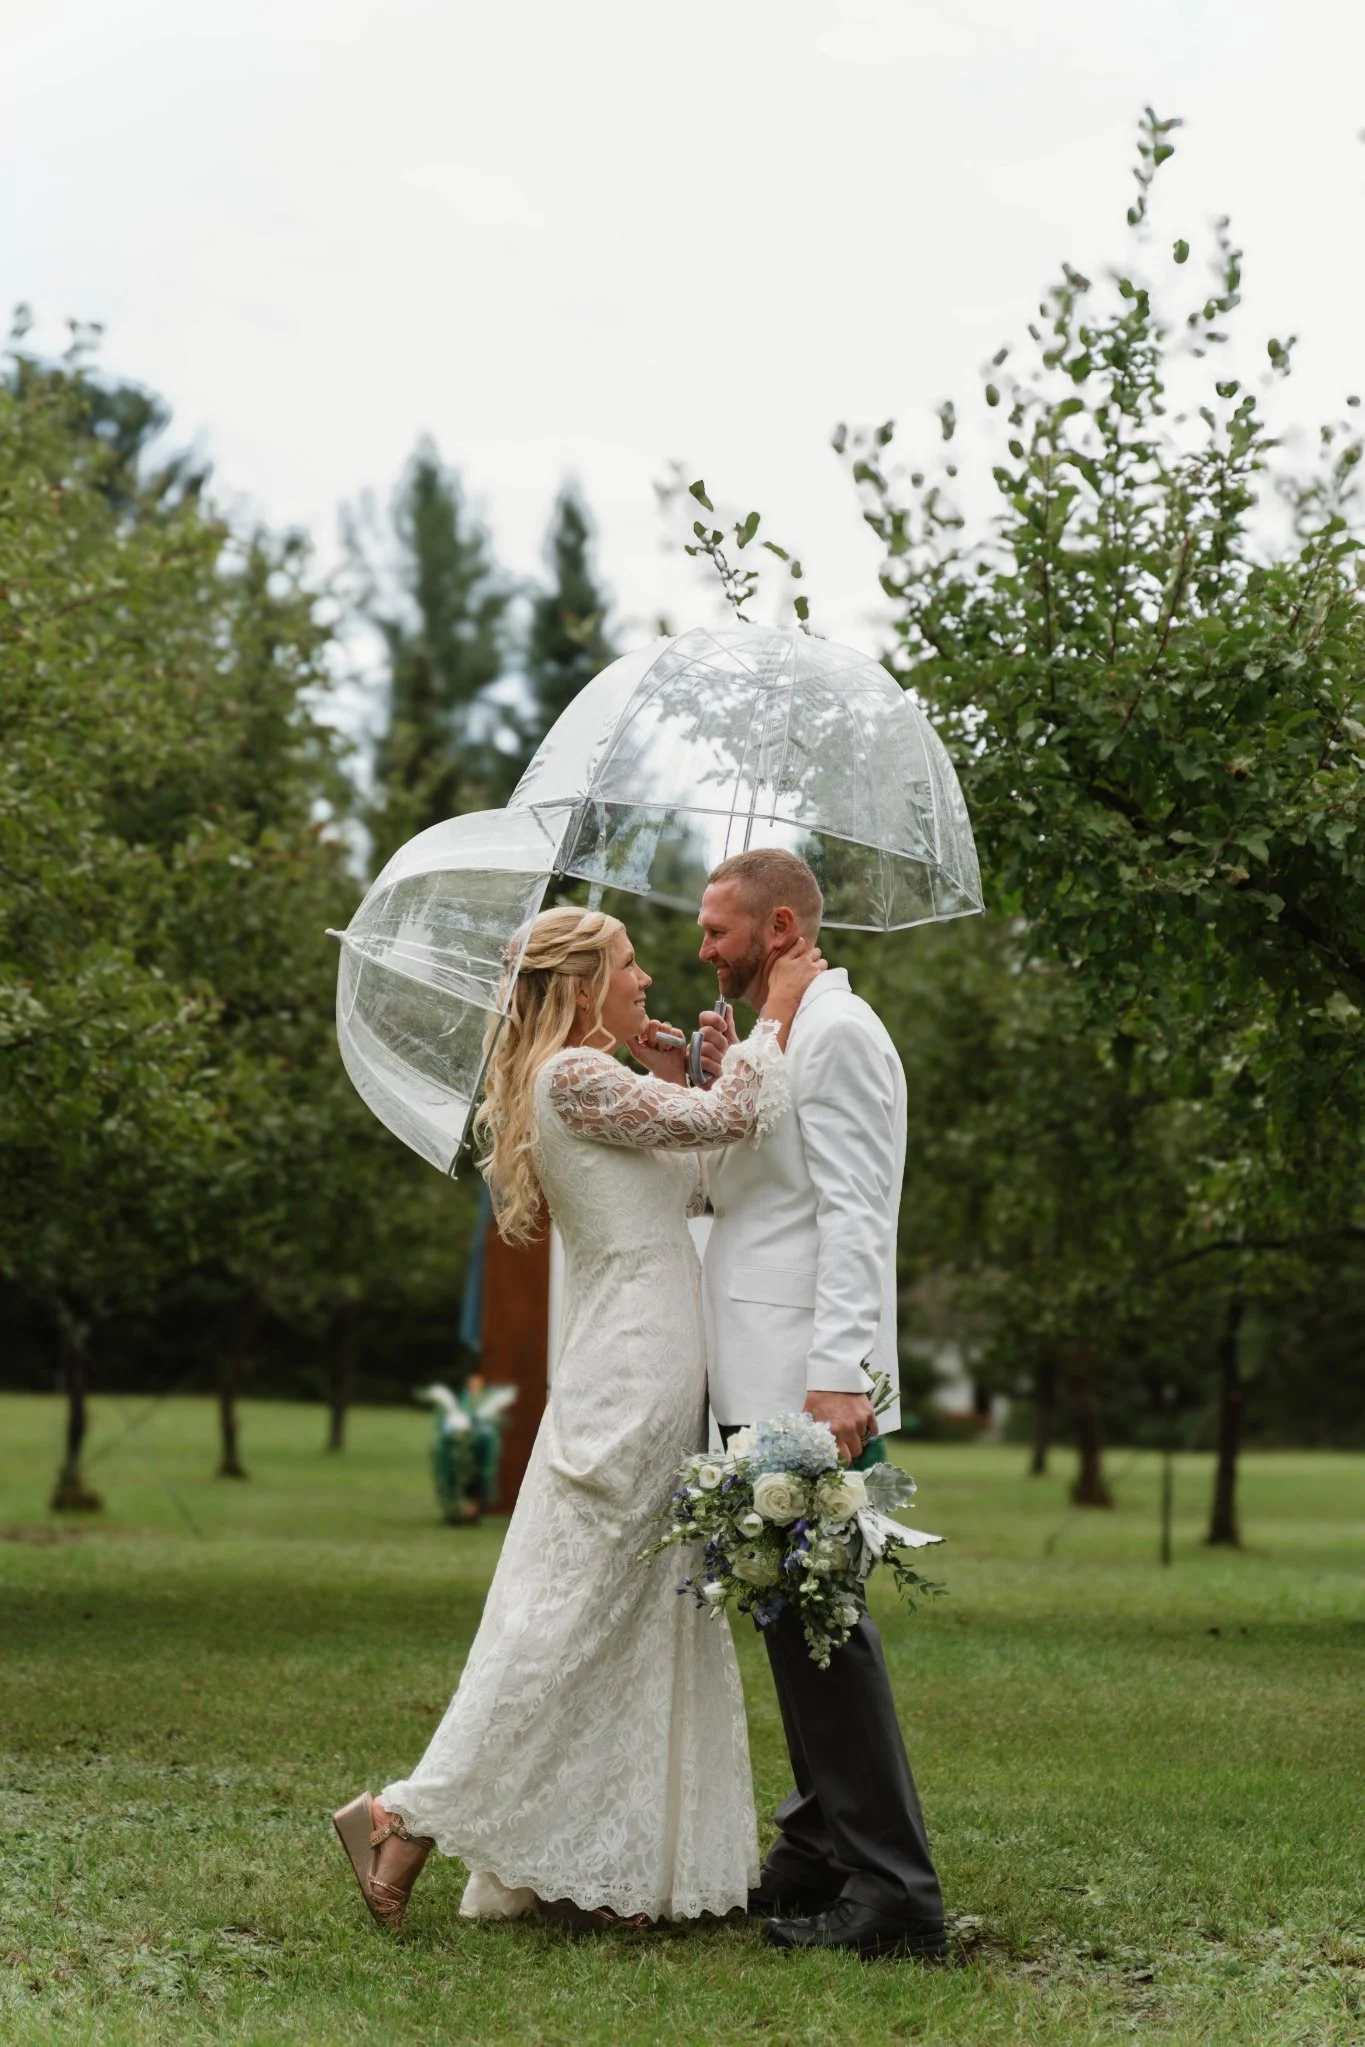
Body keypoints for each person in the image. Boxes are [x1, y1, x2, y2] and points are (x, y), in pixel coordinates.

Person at [332, 905, 825, 1932]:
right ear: (581, 984)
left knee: (638, 1611)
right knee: (568, 1619)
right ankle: (400, 1813)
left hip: (650, 1359)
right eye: (631, 965)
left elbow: (693, 1180)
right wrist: (772, 1014)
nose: (648, 979)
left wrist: (700, 1066)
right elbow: (737, 1120)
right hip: (631, 1371)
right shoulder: (571, 1076)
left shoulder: (597, 1078)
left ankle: (612, 1866)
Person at [694, 848, 947, 1962]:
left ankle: (895, 1889)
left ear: (781, 924)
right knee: (785, 1611)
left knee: (824, 1623)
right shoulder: (778, 1035)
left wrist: (842, 1370)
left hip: (808, 1373)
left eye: (718, 929)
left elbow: (855, 1211)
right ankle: (816, 1845)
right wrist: (723, 1071)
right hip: (759, 1365)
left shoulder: (844, 1033)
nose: (704, 948)